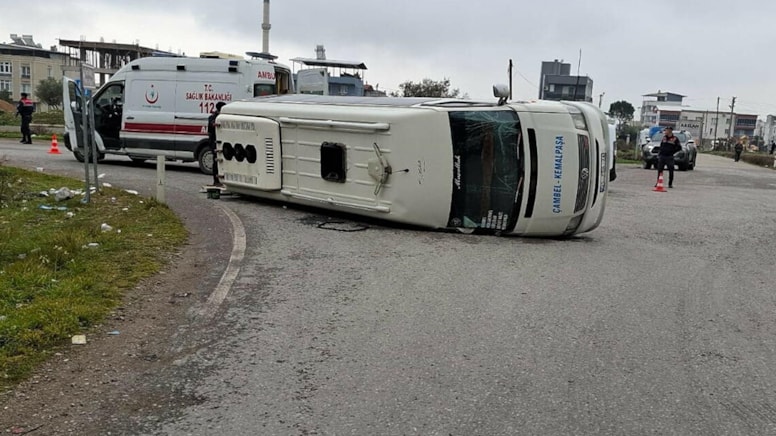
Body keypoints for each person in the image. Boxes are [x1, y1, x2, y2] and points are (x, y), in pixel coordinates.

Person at [207, 101, 227, 186]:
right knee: (216, 161)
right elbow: (212, 124)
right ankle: (216, 180)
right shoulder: (213, 117)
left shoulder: (223, 117)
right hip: (214, 142)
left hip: (223, 142)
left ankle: (222, 179)